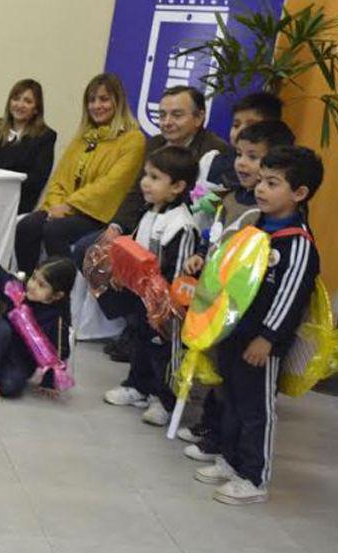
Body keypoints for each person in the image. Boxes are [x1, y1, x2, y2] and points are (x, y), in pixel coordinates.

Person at [194, 146, 323, 505]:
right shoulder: (257, 226)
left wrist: (267, 338)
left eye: (272, 183)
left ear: (299, 193)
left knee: (256, 409)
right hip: (234, 332)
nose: (261, 189)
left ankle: (253, 477)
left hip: (261, 344)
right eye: (262, 181)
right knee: (231, 399)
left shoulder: (297, 244)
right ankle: (230, 459)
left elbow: (290, 297)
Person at [78, 85, 231, 364]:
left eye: (177, 115)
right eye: (162, 115)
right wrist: (116, 227)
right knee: (90, 250)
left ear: (199, 117)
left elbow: (213, 210)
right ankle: (130, 321)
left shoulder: (216, 154)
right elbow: (137, 193)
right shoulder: (156, 144)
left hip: (187, 236)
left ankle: (151, 329)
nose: (167, 122)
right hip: (148, 222)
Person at [179, 120, 295, 463]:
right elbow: (216, 238)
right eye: (239, 154)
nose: (242, 163)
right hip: (219, 302)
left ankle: (234, 453)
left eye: (253, 157)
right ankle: (214, 433)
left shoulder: (270, 220)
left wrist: (268, 334)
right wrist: (202, 255)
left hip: (247, 314)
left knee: (243, 392)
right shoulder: (228, 198)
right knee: (221, 373)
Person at [101, 146, 199, 426]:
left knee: (163, 352)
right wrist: (123, 274)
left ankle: (164, 399)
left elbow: (179, 275)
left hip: (164, 307)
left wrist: (165, 307)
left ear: (177, 186)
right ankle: (138, 386)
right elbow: (136, 250)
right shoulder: (148, 212)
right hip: (140, 297)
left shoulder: (182, 225)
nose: (145, 182)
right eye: (146, 175)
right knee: (140, 341)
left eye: (155, 178)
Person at [14, 73, 145, 275]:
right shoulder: (84, 137)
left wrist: (68, 207)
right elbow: (59, 178)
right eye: (91, 100)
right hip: (66, 208)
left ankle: (62, 288)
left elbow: (111, 185)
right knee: (27, 226)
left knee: (55, 231)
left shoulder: (133, 139)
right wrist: (55, 206)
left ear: (117, 102)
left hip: (98, 213)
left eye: (104, 99)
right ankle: (27, 285)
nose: (96, 106)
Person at [0, 248, 74, 403]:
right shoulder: (18, 292)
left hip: (21, 363)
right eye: (34, 278)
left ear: (57, 295)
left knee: (10, 386)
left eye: (41, 285)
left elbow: (58, 354)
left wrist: (49, 382)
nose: (32, 285)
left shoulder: (57, 320)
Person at [0, 78, 56, 214]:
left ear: (36, 109)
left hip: (14, 202)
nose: (20, 105)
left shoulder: (45, 137)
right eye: (16, 99)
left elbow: (37, 179)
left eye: (27, 101)